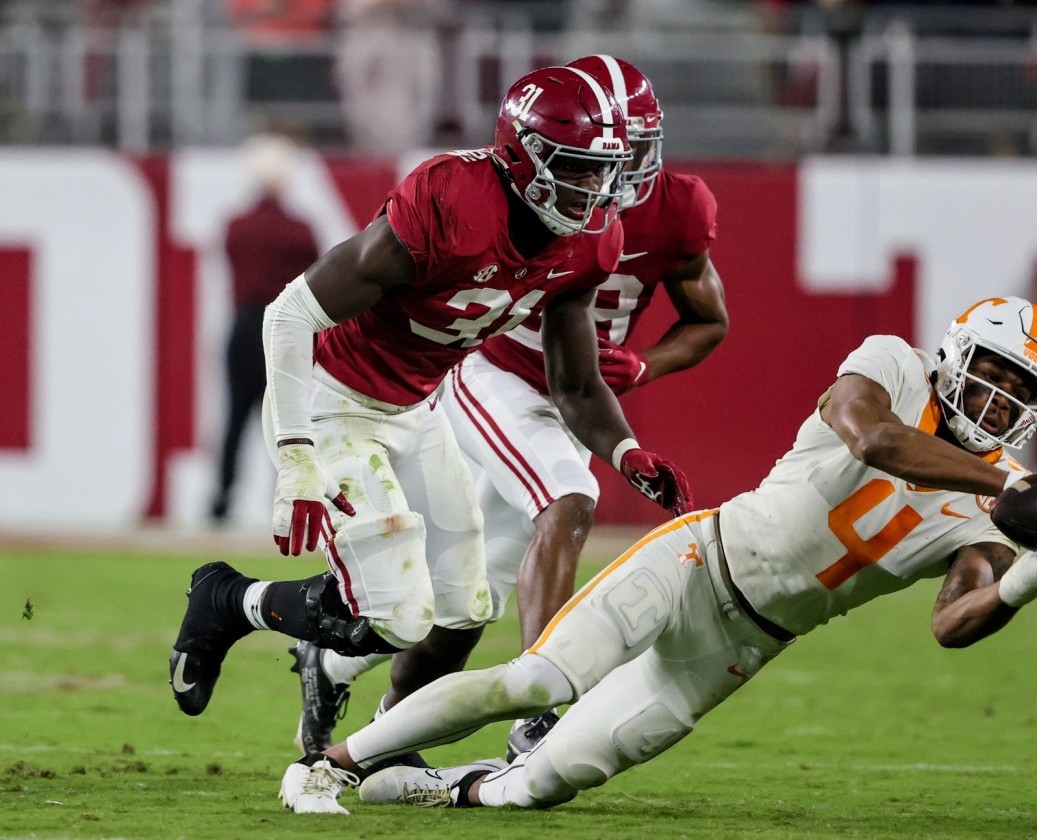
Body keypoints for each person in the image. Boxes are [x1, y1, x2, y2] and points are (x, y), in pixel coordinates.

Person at [274, 296, 1037, 815]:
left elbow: (953, 621)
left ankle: (450, 786)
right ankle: (328, 766)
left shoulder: (989, 506)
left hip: (746, 645)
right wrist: (1004, 486)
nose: (999, 401)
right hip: (699, 560)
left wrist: (1031, 580)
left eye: (1020, 394)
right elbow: (873, 436)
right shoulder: (895, 367)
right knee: (537, 681)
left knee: (547, 783)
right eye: (993, 375)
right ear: (957, 356)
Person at [168, 66, 694, 737]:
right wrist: (297, 455)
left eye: (607, 170)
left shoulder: (593, 238)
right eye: (580, 169)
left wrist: (625, 452)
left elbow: (576, 382)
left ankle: (386, 742)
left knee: (465, 610)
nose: (598, 189)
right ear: (526, 155)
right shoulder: (449, 199)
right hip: (335, 397)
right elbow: (289, 315)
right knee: (397, 616)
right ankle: (228, 599)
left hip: (416, 407)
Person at [287, 54, 728, 761]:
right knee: (569, 497)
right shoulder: (502, 197)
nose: (613, 172)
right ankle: (544, 705)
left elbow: (702, 324)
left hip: (572, 393)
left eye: (630, 151)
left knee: (476, 593)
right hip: (496, 373)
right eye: (597, 156)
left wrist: (643, 368)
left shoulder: (665, 214)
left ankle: (366, 707)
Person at [210, 133, 320, 523]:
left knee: (235, 418)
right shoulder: (300, 231)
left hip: (243, 327)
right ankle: (286, 501)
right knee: (286, 419)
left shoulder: (236, 227)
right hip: (284, 332)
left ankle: (221, 499)